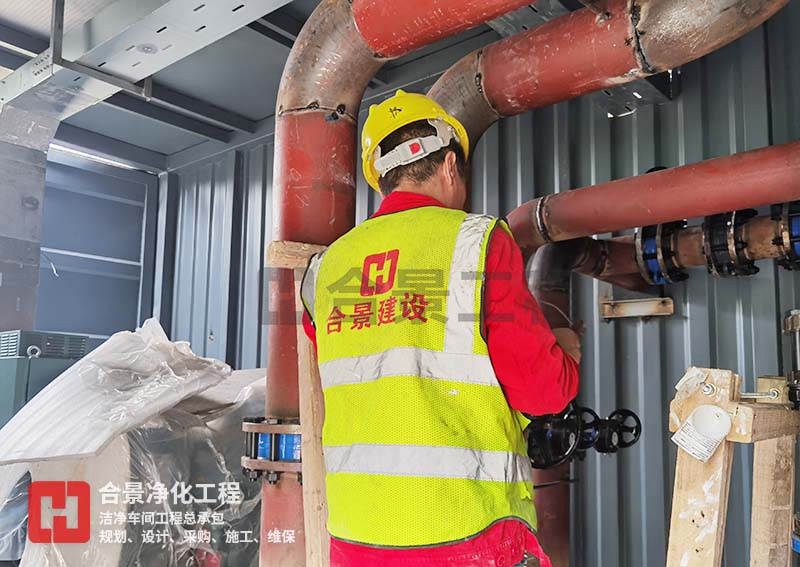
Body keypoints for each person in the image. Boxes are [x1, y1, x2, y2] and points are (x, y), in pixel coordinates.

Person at [300, 90, 581, 567]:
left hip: (355, 539)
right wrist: (567, 351)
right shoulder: (477, 242)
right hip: (466, 533)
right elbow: (543, 392)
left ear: (383, 180)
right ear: (450, 166)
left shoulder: (325, 268)